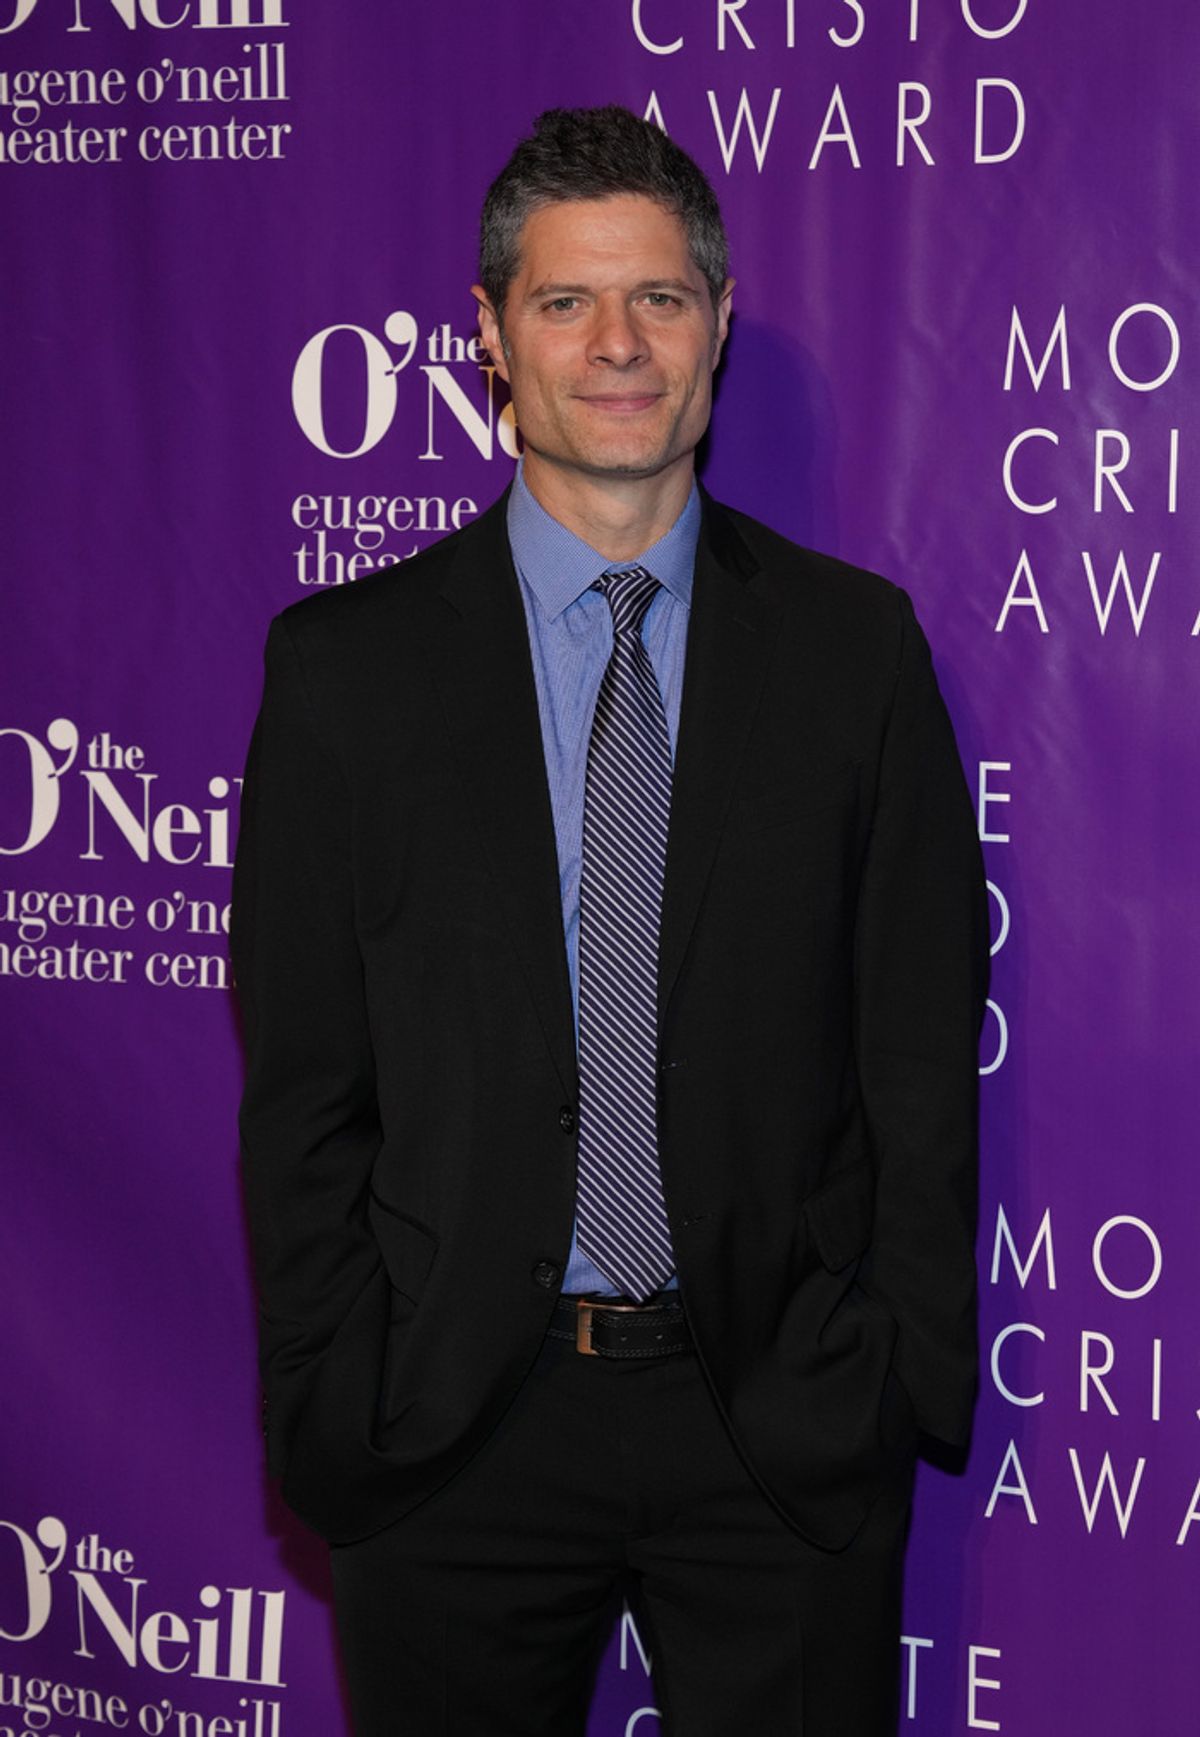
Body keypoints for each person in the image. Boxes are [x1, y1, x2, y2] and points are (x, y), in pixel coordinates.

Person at [232, 104, 989, 1737]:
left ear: (718, 323)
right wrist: (336, 1387)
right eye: (567, 301)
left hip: (778, 1421)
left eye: (659, 297)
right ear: (492, 334)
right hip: (451, 1424)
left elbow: (920, 1061)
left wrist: (890, 1373)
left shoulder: (856, 656)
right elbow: (304, 1091)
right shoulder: (345, 675)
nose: (619, 344)